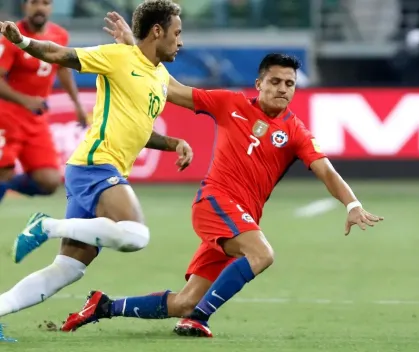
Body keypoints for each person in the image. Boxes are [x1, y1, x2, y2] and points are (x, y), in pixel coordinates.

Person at [59, 12, 384, 338]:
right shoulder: (230, 103)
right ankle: (200, 319)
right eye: (275, 82)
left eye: (290, 84)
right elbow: (170, 88)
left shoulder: (296, 132)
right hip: (215, 203)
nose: (283, 89)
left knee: (184, 301)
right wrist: (135, 47)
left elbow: (325, 170)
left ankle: (103, 306)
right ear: (259, 83)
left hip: (242, 220)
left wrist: (352, 204)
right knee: (262, 254)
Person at [0, 0, 193, 341]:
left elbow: (140, 129)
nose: (181, 41)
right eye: (177, 33)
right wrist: (24, 43)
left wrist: (173, 142)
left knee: (67, 270)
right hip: (95, 164)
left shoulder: (159, 75)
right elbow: (61, 55)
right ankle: (46, 226)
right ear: (158, 31)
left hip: (96, 169)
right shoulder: (117, 57)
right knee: (136, 235)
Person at [0, 0, 87, 202]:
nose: (40, 7)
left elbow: (63, 68)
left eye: (45, 3)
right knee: (3, 169)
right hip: (7, 116)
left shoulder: (59, 35)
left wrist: (77, 104)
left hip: (35, 119)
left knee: (49, 181)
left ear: (51, 7)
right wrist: (25, 100)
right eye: (34, 2)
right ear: (25, 6)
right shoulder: (11, 36)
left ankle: (6, 184)